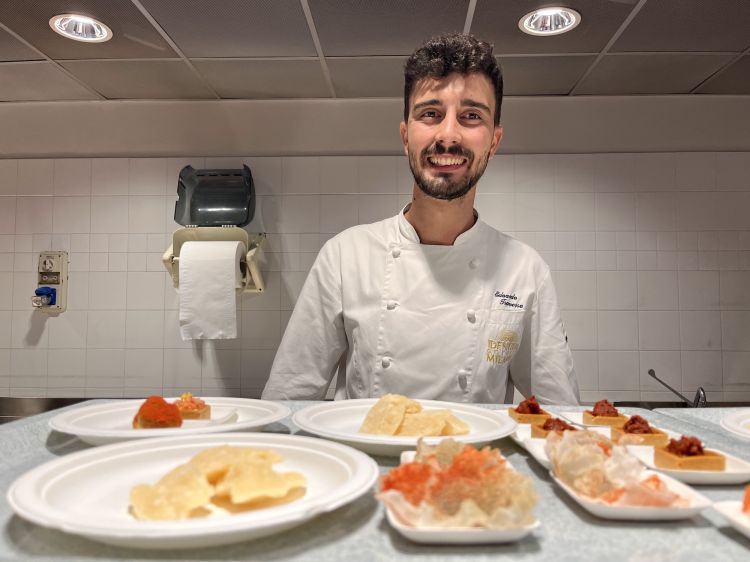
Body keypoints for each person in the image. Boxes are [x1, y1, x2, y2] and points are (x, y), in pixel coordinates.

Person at [262, 33, 579, 405]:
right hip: (368, 461)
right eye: (430, 113)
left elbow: (561, 414)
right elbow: (287, 399)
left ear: (493, 141)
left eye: (471, 116)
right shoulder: (345, 257)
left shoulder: (525, 270)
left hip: (472, 463)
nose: (448, 135)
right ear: (405, 135)